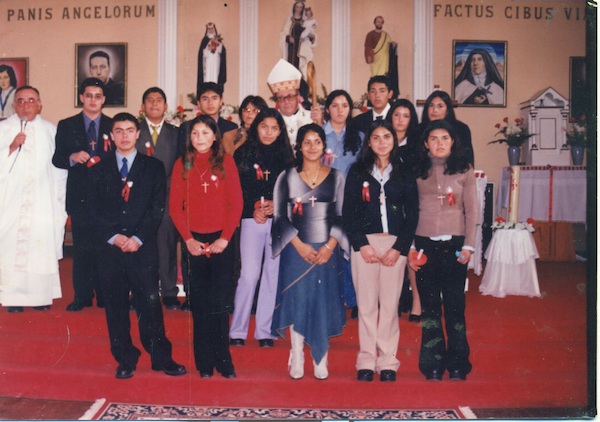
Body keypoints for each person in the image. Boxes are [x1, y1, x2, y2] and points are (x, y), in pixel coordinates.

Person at [87, 112, 186, 380]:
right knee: (116, 307)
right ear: (111, 135)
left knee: (150, 306)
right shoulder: (98, 169)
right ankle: (125, 358)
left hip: (142, 249)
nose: (124, 136)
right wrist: (114, 237)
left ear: (137, 134)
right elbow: (92, 211)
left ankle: (160, 357)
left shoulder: (153, 167)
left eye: (129, 130)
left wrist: (138, 238)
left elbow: (157, 209)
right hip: (111, 250)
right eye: (118, 131)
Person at [342, 120, 418, 383]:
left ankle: (387, 360)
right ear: (369, 142)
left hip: (394, 246)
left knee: (389, 305)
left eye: (387, 136)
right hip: (365, 245)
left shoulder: (405, 172)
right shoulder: (358, 171)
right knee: (366, 306)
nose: (382, 142)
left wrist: (400, 248)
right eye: (376, 137)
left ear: (394, 140)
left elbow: (413, 215)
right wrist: (361, 244)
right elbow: (348, 212)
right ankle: (365, 359)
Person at [271, 123, 348, 380]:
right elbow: (280, 217)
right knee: (298, 299)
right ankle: (297, 354)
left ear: (324, 146)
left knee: (322, 300)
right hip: (296, 249)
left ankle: (321, 356)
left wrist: (329, 247)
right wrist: (299, 244)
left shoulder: (337, 177)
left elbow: (342, 217)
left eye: (317, 141)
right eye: (307, 142)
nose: (312, 147)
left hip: (327, 249)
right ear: (299, 147)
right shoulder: (287, 177)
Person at [170, 115, 243, 379]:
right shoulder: (182, 164)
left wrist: (224, 238)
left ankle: (224, 361)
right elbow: (175, 207)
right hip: (194, 242)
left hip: (222, 241)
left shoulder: (227, 162)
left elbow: (236, 204)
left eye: (205, 133)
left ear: (215, 136)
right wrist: (188, 239)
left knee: (220, 303)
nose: (200, 138)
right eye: (195, 134)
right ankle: (203, 363)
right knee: (200, 304)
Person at [408, 119, 477, 382]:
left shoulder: (464, 169)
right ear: (426, 143)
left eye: (445, 138)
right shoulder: (417, 169)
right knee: (430, 309)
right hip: (425, 245)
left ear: (453, 141)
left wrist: (469, 245)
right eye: (434, 139)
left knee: (455, 307)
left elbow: (472, 210)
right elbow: (410, 210)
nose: (440, 143)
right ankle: (433, 365)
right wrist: (413, 246)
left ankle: (459, 364)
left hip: (455, 246)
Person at [229, 108, 295, 348]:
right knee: (249, 274)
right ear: (256, 127)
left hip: (279, 222)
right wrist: (252, 209)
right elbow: (236, 190)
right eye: (264, 126)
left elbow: (292, 192)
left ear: (281, 131)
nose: (269, 132)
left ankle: (265, 331)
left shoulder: (288, 157)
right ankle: (237, 330)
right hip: (251, 219)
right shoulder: (243, 153)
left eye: (275, 128)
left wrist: (278, 208)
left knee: (272, 275)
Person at [0, 86, 68, 313]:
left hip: (42, 202)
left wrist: (59, 201)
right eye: (20, 100)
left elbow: (60, 169)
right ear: (14, 104)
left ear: (39, 104)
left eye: (31, 100)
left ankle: (41, 296)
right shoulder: (3, 128)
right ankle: (13, 298)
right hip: (10, 202)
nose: (26, 105)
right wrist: (11, 147)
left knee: (40, 248)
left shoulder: (51, 130)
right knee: (10, 248)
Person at [53, 77, 114, 312]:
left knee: (106, 249)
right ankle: (82, 296)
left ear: (104, 100)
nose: (93, 100)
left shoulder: (113, 125)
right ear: (81, 98)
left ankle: (106, 296)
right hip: (79, 197)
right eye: (88, 95)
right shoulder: (66, 125)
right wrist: (72, 157)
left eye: (98, 96)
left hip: (107, 198)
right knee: (82, 249)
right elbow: (57, 158)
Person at [136, 87, 182, 311]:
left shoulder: (176, 133)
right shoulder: (134, 131)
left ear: (165, 106)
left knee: (166, 245)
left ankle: (170, 292)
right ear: (143, 107)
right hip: (139, 198)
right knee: (141, 245)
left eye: (159, 101)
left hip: (168, 196)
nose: (154, 104)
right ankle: (142, 292)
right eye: (149, 100)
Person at [322, 89, 363, 318]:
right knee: (329, 248)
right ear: (328, 109)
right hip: (324, 202)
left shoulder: (358, 137)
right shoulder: (318, 134)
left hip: (350, 202)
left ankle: (353, 298)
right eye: (335, 105)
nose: (339, 110)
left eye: (344, 106)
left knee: (350, 249)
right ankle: (331, 299)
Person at [387, 99, 422, 322]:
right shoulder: (383, 139)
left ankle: (417, 302)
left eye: (405, 115)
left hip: (410, 199)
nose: (400, 120)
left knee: (411, 249)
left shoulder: (417, 144)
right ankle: (394, 300)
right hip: (388, 201)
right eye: (397, 115)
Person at [267, 59, 323, 149]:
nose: (286, 101)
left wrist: (320, 123)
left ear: (298, 97)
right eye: (281, 98)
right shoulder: (271, 122)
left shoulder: (311, 118)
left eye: (290, 96)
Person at [179, 82, 238, 156]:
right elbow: (182, 156)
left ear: (221, 102)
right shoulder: (186, 126)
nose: (210, 103)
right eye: (205, 99)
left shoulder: (230, 127)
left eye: (214, 98)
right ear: (198, 103)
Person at [420, 90, 474, 166]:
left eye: (440, 106)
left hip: (455, 171)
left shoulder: (461, 129)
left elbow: (467, 158)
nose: (434, 110)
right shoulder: (418, 130)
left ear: (448, 110)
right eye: (431, 105)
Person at [364, 16, 398, 97]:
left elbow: (389, 47)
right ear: (375, 23)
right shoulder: (370, 34)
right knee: (375, 79)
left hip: (384, 61)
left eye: (381, 22)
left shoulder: (386, 35)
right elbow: (368, 47)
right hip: (376, 60)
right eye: (378, 21)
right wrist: (369, 56)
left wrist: (392, 45)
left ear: (382, 23)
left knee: (384, 79)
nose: (379, 23)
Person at [197, 22, 227, 93]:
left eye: (211, 29)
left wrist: (217, 45)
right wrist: (208, 48)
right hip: (207, 63)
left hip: (215, 62)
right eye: (209, 29)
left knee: (215, 77)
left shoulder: (218, 40)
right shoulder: (204, 40)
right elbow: (202, 53)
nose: (210, 30)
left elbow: (222, 51)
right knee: (207, 77)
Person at [280, 1, 308, 71]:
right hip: (292, 49)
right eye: (297, 7)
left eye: (301, 7)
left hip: (302, 49)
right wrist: (288, 38)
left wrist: (310, 37)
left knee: (301, 68)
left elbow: (311, 35)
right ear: (294, 8)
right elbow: (283, 33)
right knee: (291, 67)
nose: (298, 9)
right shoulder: (289, 20)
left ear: (303, 9)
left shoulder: (305, 22)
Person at [297, 6, 317, 81]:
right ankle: (304, 78)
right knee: (302, 62)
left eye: (309, 13)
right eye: (307, 14)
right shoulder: (305, 21)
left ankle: (307, 78)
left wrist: (311, 36)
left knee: (308, 60)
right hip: (303, 42)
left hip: (307, 42)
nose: (308, 15)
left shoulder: (313, 21)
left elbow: (314, 29)